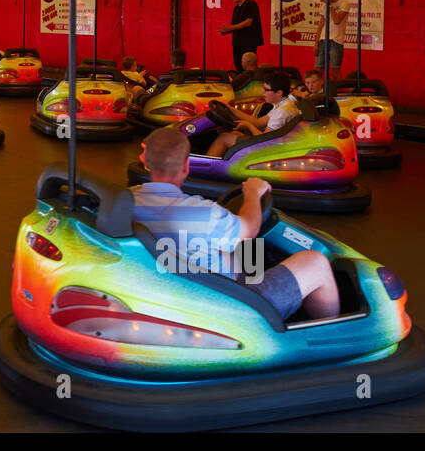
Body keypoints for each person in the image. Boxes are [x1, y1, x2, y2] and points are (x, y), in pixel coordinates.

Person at [133, 127, 339, 320]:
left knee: (246, 249)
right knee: (316, 262)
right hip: (223, 310)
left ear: (146, 161)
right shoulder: (202, 212)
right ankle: (328, 335)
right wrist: (253, 193)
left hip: (166, 291)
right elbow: (250, 229)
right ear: (186, 165)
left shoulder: (128, 200)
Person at [206, 69, 300, 157]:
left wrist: (248, 125)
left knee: (223, 137)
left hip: (271, 149)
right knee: (234, 133)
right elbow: (258, 122)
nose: (263, 93)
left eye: (266, 90)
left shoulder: (282, 111)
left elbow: (265, 140)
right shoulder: (283, 104)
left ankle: (205, 166)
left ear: (279, 92)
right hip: (276, 144)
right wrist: (232, 110)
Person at [219, 0, 264, 72]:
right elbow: (236, 26)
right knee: (238, 65)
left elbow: (249, 21)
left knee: (248, 65)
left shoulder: (250, 4)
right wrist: (227, 31)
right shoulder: (236, 8)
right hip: (237, 42)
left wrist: (231, 28)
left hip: (248, 41)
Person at [314, 0, 349, 79]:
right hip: (322, 41)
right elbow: (321, 25)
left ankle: (338, 89)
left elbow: (337, 20)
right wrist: (316, 43)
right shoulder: (324, 6)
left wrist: (330, 5)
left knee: (335, 71)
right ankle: (318, 89)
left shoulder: (344, 3)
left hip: (336, 41)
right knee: (318, 70)